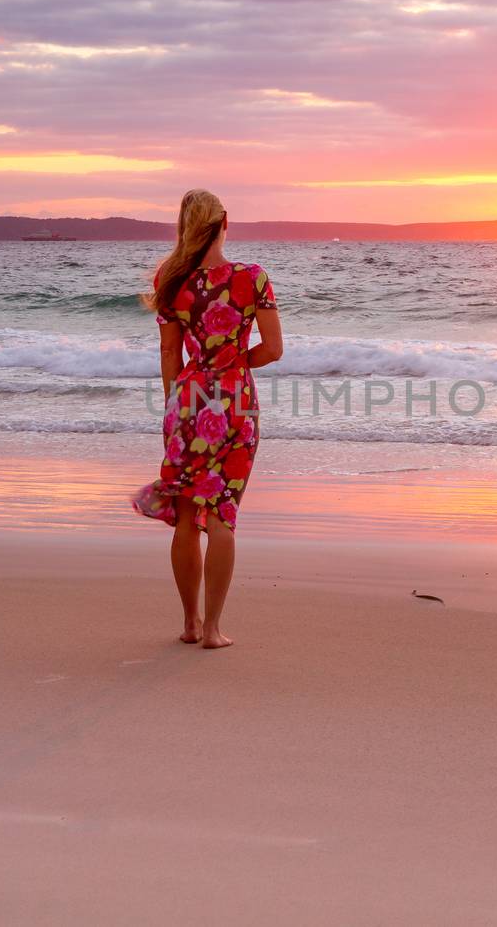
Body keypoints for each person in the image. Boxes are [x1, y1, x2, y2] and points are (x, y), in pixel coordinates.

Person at [131, 189, 283, 649]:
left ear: (184, 226)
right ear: (225, 222)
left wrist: (176, 406)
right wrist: (234, 363)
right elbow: (273, 350)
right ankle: (214, 630)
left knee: (185, 516)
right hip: (235, 401)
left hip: (188, 400)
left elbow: (168, 353)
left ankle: (190, 623)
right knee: (222, 514)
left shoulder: (171, 279)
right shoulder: (252, 278)